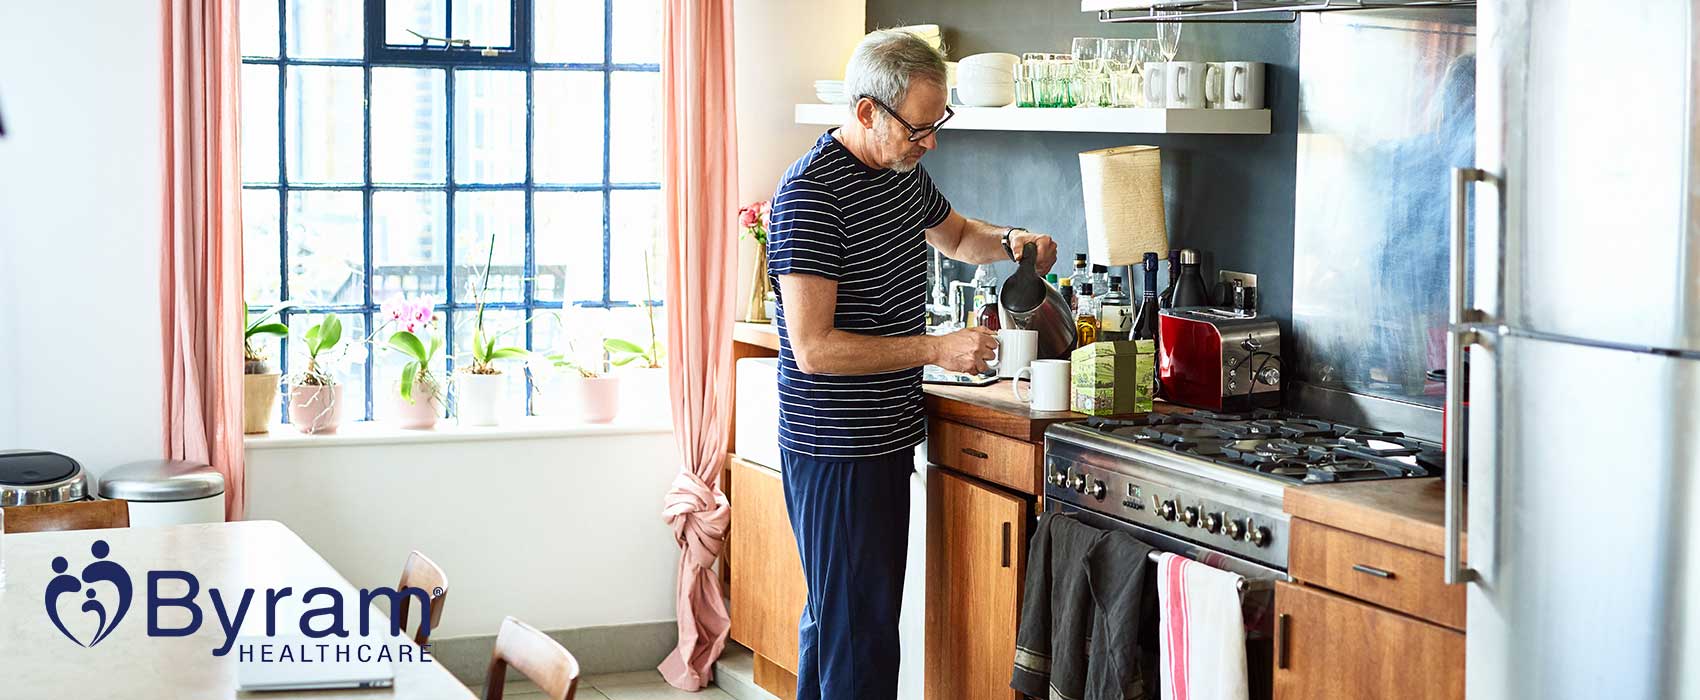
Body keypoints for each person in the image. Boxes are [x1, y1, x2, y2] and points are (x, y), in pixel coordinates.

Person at [765, 29, 1060, 700]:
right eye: (918, 128)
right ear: (867, 110)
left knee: (845, 631)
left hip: (882, 442)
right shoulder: (811, 194)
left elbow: (955, 235)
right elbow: (814, 348)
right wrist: (937, 348)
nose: (931, 142)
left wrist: (1012, 241)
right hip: (837, 450)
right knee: (857, 641)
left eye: (938, 124)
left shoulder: (900, 172)